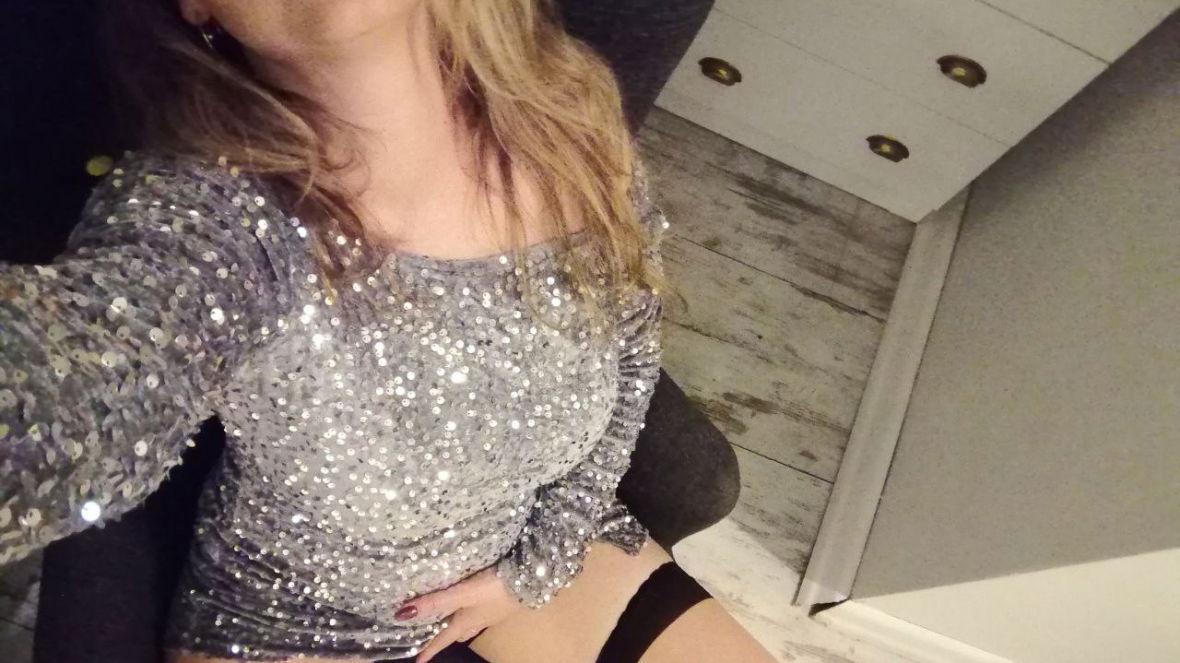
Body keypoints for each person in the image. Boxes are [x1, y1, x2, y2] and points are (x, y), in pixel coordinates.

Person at [0, 2, 774, 662]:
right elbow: (73, 379)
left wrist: (538, 562)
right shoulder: (214, 213)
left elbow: (632, 343)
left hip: (535, 544)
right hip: (302, 619)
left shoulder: (566, 113)